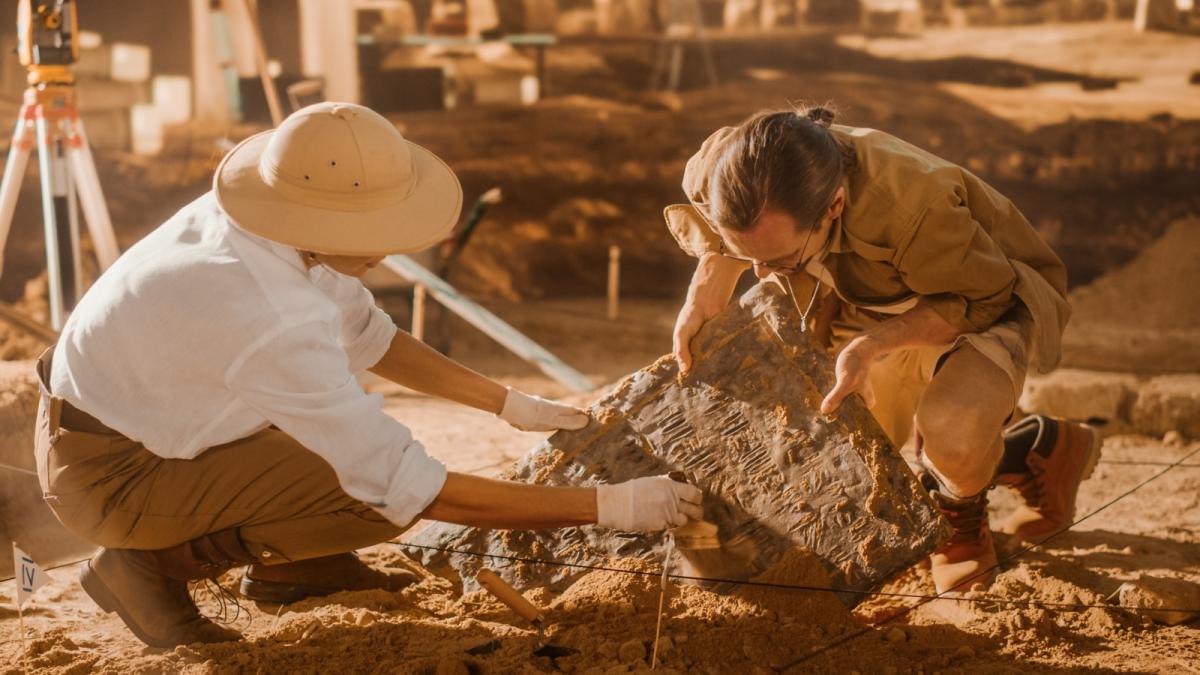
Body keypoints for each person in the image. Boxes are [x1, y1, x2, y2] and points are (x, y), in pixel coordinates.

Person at [33, 102, 701, 648]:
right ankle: (148, 565)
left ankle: (290, 567)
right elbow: (414, 488)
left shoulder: (268, 222)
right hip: (110, 473)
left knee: (357, 459)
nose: (393, 241)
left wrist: (507, 403)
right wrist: (612, 506)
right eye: (380, 224)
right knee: (373, 493)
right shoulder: (272, 311)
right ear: (321, 218)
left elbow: (371, 337)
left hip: (120, 422)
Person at [665, 107, 1101, 597]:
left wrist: (871, 346)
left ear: (833, 205)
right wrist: (711, 274)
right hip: (865, 295)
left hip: (977, 297)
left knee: (951, 429)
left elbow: (982, 298)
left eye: (782, 260)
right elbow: (713, 216)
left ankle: (959, 523)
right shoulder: (727, 166)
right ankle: (1041, 451)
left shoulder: (914, 204)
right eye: (752, 258)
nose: (765, 273)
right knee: (847, 466)